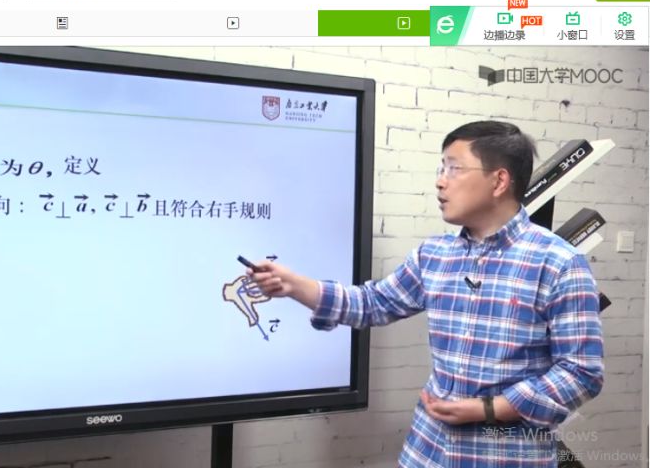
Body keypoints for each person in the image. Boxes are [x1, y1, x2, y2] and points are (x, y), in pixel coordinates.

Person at [248, 121, 604, 467]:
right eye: (441, 168)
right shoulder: (434, 255)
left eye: (454, 168)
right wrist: (293, 285)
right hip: (427, 451)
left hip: (504, 456)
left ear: (499, 181)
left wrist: (490, 409)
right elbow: (372, 304)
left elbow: (581, 372)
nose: (440, 181)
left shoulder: (558, 263)